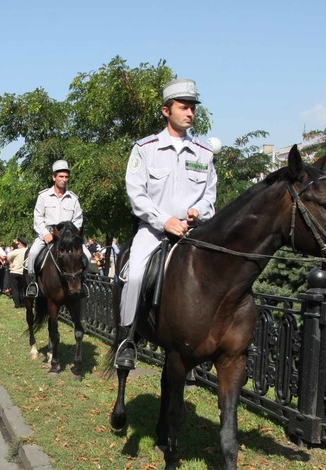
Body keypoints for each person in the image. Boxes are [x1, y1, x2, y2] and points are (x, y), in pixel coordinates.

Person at [116, 78, 217, 371]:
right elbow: (136, 194)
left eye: (193, 108)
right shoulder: (145, 149)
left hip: (193, 232)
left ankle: (203, 345)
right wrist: (165, 220)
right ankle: (128, 340)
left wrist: (198, 211)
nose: (190, 113)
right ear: (166, 110)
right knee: (134, 276)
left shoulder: (204, 153)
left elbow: (210, 196)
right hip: (153, 230)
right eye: (183, 107)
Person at [24, 160, 91, 297]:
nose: (64, 180)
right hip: (48, 234)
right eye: (61, 176)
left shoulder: (73, 199)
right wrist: (44, 233)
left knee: (88, 256)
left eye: (66, 177)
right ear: (54, 177)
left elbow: (78, 220)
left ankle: (82, 284)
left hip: (68, 238)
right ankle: (32, 284)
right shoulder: (43, 196)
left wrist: (71, 236)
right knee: (32, 254)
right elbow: (38, 217)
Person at [6, 238, 28, 308]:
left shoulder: (17, 251)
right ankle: (22, 303)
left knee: (15, 289)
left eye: (18, 244)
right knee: (21, 289)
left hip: (15, 271)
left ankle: (17, 304)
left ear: (21, 244)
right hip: (23, 273)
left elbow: (8, 256)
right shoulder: (28, 251)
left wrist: (10, 263)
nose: (17, 245)